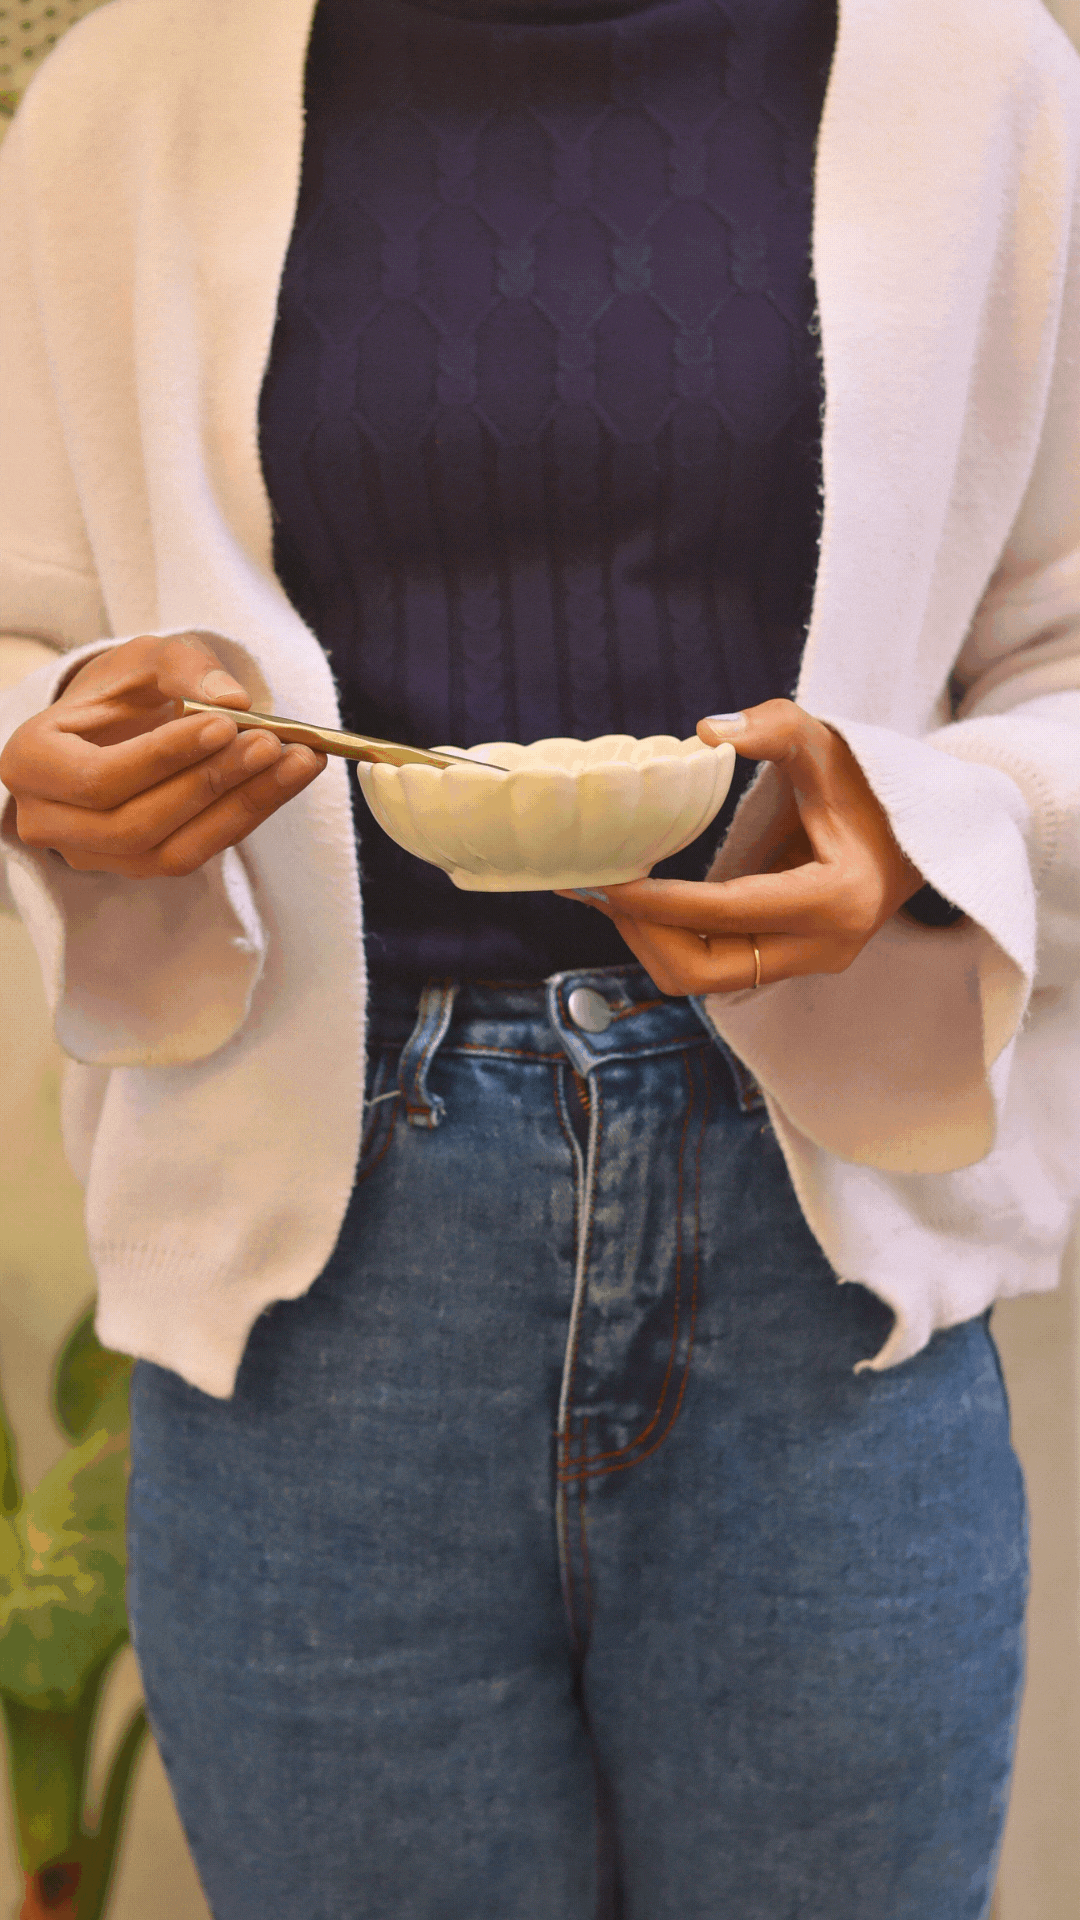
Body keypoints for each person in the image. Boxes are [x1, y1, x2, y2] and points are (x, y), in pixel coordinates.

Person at [1, 0, 1078, 1913]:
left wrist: (922, 826)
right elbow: (20, 628)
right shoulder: (126, 104)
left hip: (818, 1251)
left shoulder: (985, 80)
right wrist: (56, 744)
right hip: (312, 1272)